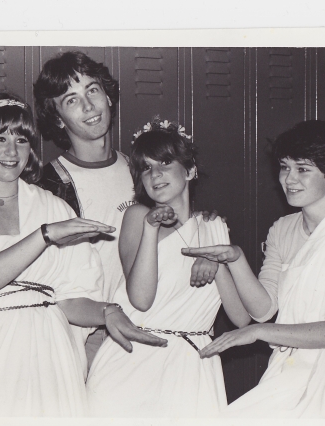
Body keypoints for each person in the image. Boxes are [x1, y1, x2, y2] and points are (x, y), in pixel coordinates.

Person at [0, 93, 166, 417]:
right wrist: (45, 235)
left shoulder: (52, 206)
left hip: (54, 351)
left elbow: (69, 300)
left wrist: (108, 311)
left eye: (22, 140)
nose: (12, 151)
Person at [182, 120, 325, 419]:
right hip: (286, 366)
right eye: (284, 167)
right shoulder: (283, 228)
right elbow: (263, 309)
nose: (289, 178)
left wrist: (257, 333)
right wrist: (235, 259)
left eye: (303, 169)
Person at [34, 51, 220, 367]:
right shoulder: (52, 183)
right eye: (71, 100)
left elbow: (176, 232)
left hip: (153, 322)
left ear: (108, 96)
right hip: (91, 334)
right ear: (57, 118)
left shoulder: (140, 169)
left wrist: (208, 242)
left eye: (92, 90)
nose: (88, 106)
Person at [86, 119, 251, 417]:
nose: (155, 174)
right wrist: (151, 229)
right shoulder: (137, 216)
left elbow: (241, 319)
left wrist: (217, 265)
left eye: (164, 162)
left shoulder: (214, 226)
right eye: (145, 168)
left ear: (189, 170)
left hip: (192, 365)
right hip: (134, 359)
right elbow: (141, 299)